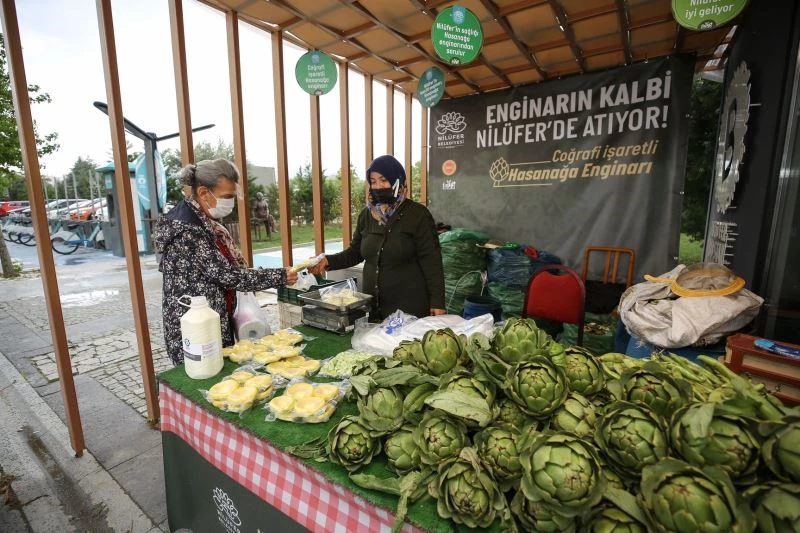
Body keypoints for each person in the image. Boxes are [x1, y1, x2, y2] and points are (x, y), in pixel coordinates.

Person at [154, 159, 298, 366]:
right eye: (227, 197)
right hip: (197, 331)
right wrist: (280, 275)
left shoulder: (205, 222)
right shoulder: (187, 230)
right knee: (205, 376)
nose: (230, 202)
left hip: (214, 319)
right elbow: (226, 275)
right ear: (203, 193)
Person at [308, 155, 446, 319]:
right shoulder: (367, 215)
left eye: (384, 180)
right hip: (374, 306)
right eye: (373, 182)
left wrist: (437, 303)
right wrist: (327, 261)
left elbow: (432, 262)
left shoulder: (418, 215)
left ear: (397, 181)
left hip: (409, 307)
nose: (378, 186)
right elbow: (355, 252)